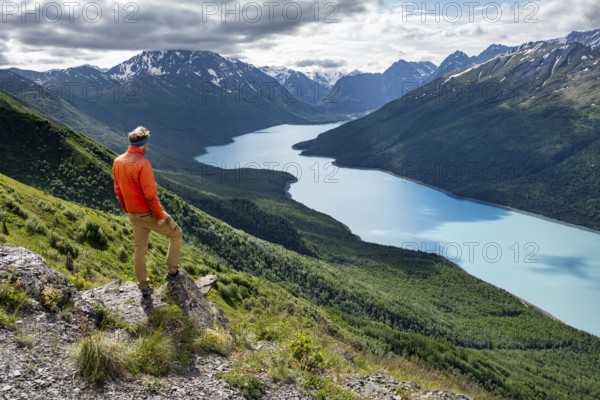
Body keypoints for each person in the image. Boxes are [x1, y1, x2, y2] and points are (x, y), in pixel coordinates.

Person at [112, 126, 183, 298]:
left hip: (133, 214)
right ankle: (172, 272)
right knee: (176, 234)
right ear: (144, 145)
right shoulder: (143, 163)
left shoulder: (118, 161)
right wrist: (159, 216)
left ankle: (144, 286)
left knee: (139, 248)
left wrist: (127, 208)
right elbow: (150, 195)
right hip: (148, 213)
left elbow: (117, 190)